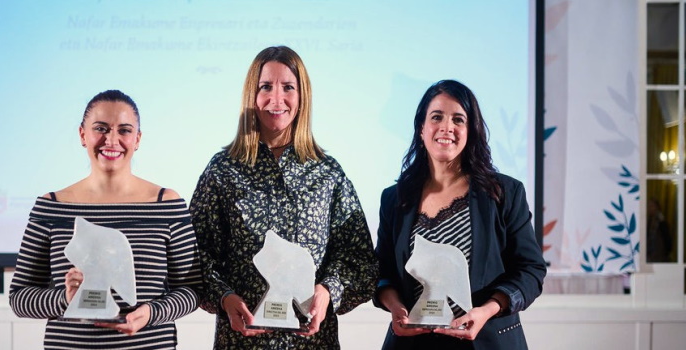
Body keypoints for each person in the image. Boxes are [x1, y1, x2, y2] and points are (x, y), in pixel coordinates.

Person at [189, 45, 378, 349]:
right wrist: (224, 297)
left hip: (312, 343)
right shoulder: (222, 170)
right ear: (252, 95)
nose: (277, 99)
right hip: (241, 342)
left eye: (288, 87)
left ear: (302, 96)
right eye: (266, 87)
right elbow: (196, 254)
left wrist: (328, 290)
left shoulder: (328, 174)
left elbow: (361, 261)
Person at [8, 90, 202, 349]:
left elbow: (193, 290)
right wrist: (64, 299)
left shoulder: (167, 203)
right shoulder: (51, 206)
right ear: (82, 135)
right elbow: (19, 297)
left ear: (137, 139)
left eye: (124, 130)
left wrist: (152, 313)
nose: (111, 140)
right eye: (101, 128)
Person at [374, 80, 546, 349]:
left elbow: (531, 270)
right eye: (437, 117)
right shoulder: (394, 199)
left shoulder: (504, 193)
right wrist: (395, 307)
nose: (447, 127)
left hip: (486, 340)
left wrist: (487, 310)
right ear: (421, 128)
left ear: (471, 131)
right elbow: (381, 271)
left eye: (458, 119)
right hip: (412, 343)